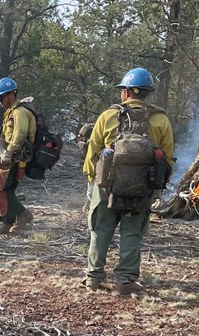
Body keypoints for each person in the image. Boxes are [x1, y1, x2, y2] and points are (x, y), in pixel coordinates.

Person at [81, 68, 174, 296]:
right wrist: (155, 187)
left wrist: (92, 181)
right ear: (146, 93)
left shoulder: (108, 116)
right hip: (140, 188)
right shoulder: (161, 120)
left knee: (100, 229)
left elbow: (93, 153)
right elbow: (168, 159)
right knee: (132, 232)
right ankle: (125, 279)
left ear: (125, 92)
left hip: (106, 186)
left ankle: (93, 277)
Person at [0, 76, 36, 234]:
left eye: (2, 97)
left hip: (16, 156)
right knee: (3, 188)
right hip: (11, 155)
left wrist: (9, 153)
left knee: (1, 188)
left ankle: (22, 215)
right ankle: (7, 223)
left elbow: (20, 134)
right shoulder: (11, 112)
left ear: (12, 94)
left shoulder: (20, 111)